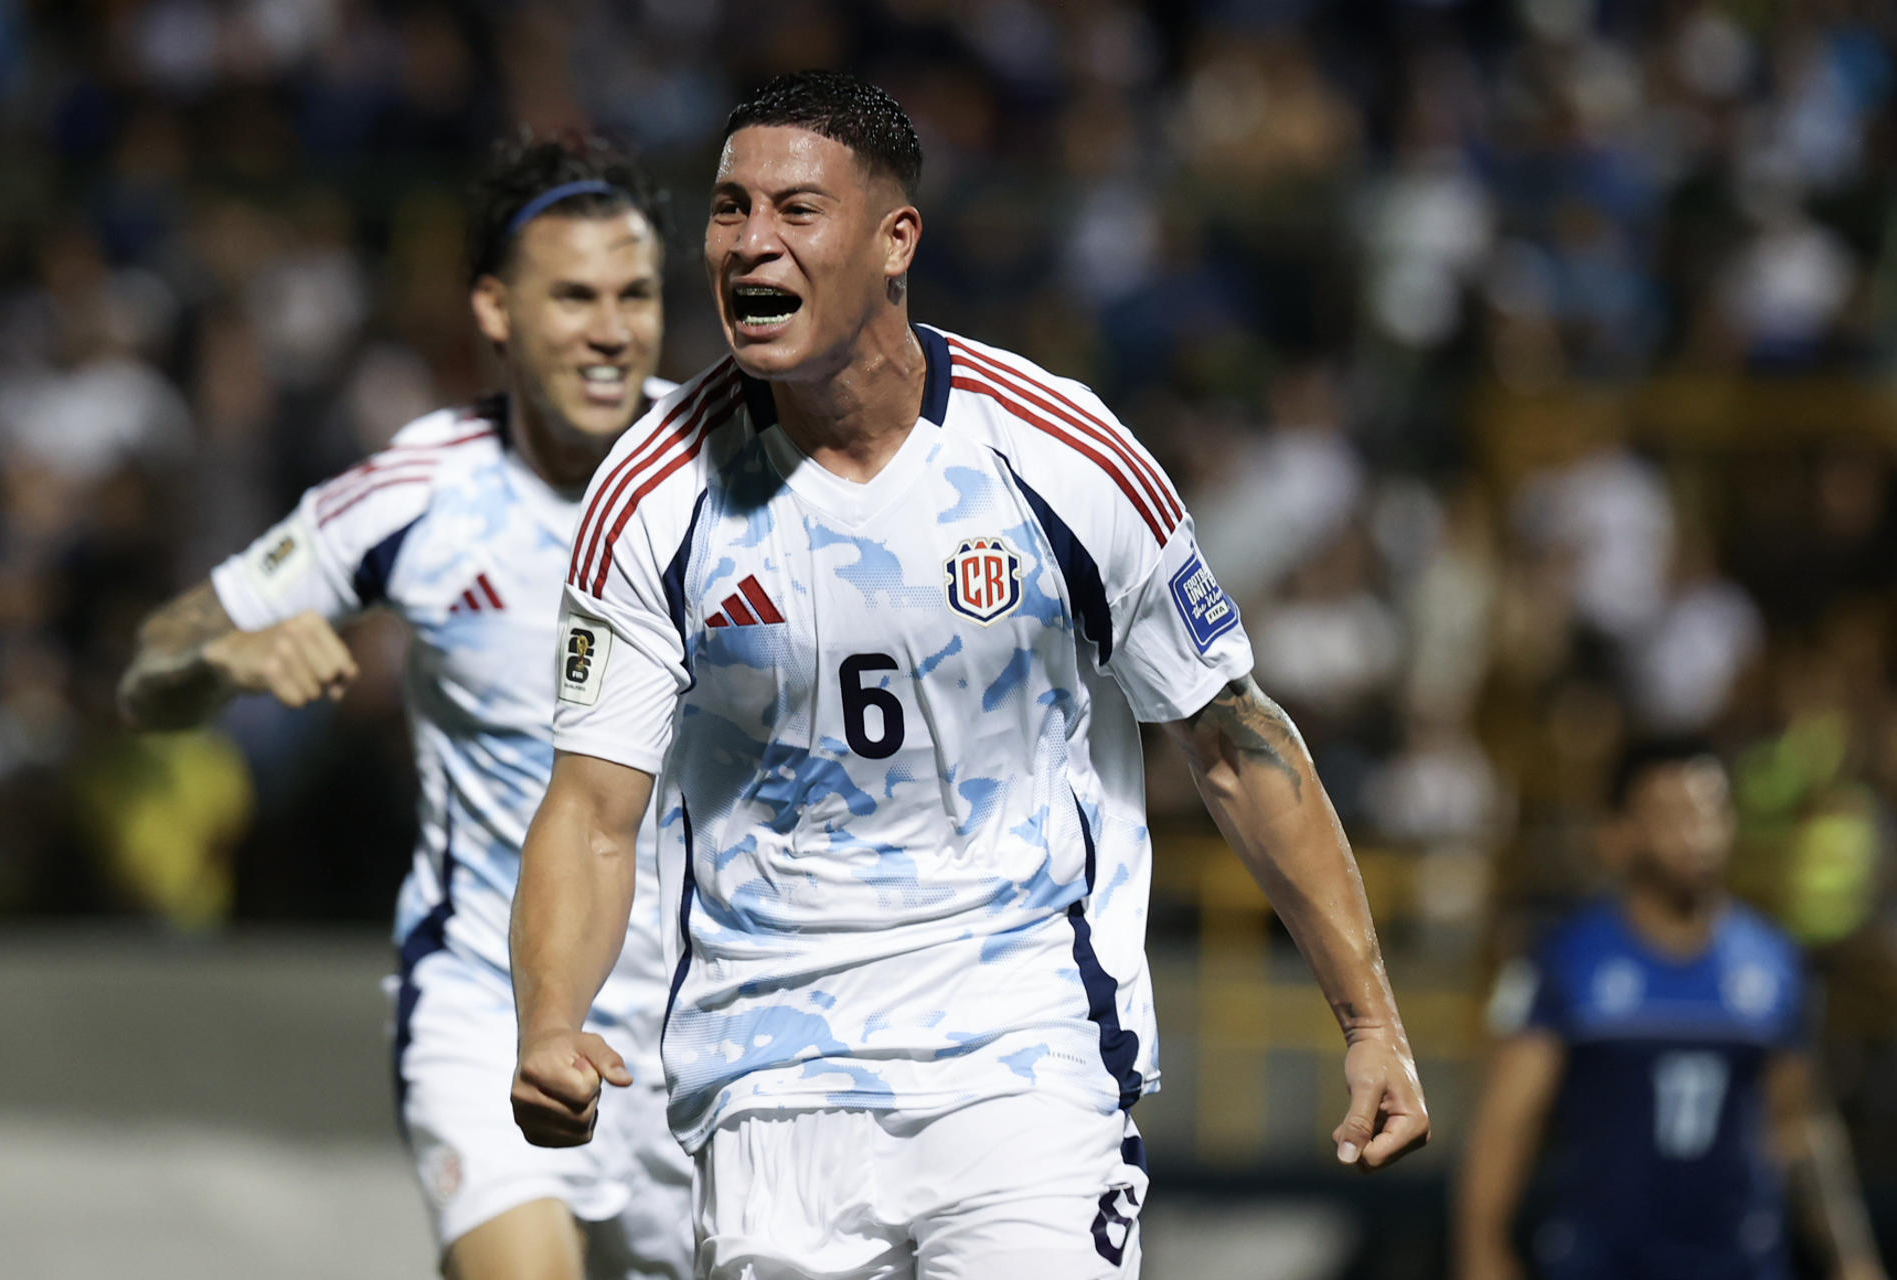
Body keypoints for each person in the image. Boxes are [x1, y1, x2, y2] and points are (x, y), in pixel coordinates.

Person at [509, 71, 1428, 1279]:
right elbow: (590, 806)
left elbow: (1233, 742)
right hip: (771, 1075)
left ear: (897, 241)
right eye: (729, 210)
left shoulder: (1061, 457)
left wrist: (1371, 1021)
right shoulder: (653, 493)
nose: (748, 243)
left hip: (1021, 1057)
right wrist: (551, 1024)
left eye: (795, 209)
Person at [117, 135, 693, 1280]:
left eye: (634, 295)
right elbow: (149, 671)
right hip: (484, 997)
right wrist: (227, 658)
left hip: (705, 1024)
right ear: (494, 307)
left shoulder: (732, 468)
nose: (611, 330)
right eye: (572, 295)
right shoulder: (419, 493)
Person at [1455, 738, 1888, 1280]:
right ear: (1619, 835)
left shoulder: (1774, 961)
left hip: (1740, 1264)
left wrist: (1851, 1257)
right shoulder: (1567, 961)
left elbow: (1798, 1124)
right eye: (1674, 816)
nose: (1698, 835)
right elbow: (1508, 1122)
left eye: (1712, 813)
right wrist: (1482, 1252)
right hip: (1601, 1262)